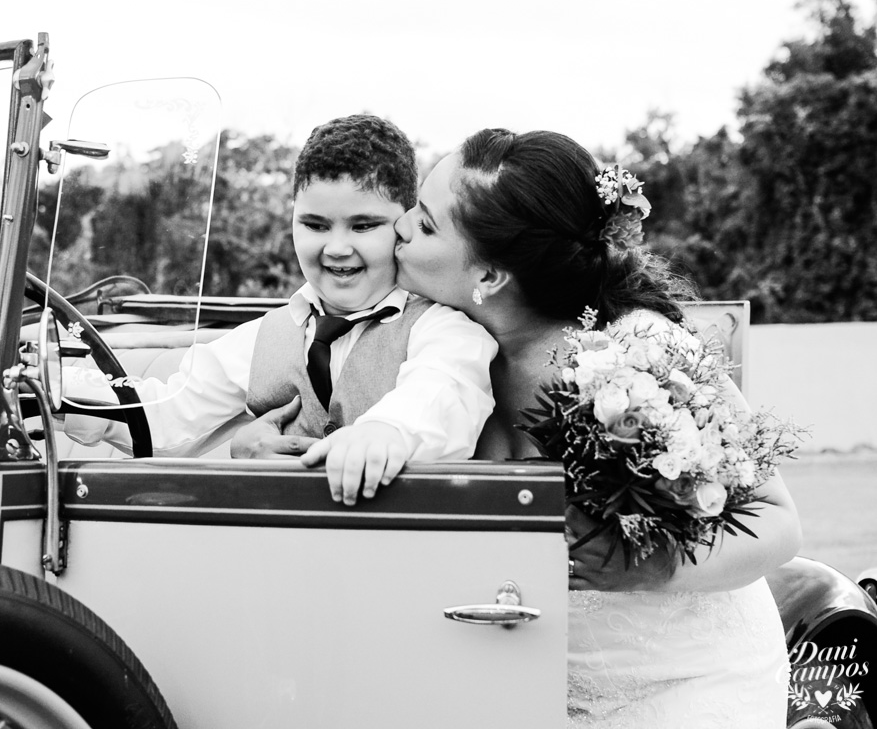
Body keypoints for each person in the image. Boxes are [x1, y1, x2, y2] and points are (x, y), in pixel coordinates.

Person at [238, 128, 801, 726]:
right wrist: (251, 448)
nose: (400, 226)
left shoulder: (634, 349)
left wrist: (648, 565)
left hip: (687, 681)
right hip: (512, 675)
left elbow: (777, 523)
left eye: (425, 224)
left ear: (489, 277)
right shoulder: (425, 345)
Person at [61, 115, 496, 486]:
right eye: (315, 224)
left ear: (402, 224)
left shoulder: (442, 329)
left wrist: (386, 432)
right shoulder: (265, 337)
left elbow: (442, 394)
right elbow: (164, 417)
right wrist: (54, 390)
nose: (337, 248)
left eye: (363, 226)